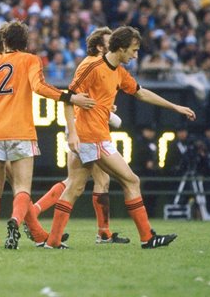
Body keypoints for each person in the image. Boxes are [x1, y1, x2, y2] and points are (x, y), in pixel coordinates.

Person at [46, 26, 196, 249]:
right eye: (133, 50)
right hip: (91, 138)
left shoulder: (118, 71)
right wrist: (73, 134)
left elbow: (141, 92)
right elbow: (68, 98)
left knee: (75, 188)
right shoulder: (91, 65)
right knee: (131, 180)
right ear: (121, 47)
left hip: (94, 136)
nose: (136, 55)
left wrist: (174, 107)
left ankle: (53, 241)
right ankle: (147, 237)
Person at [0, 21, 93, 250]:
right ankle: (15, 221)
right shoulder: (30, 60)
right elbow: (39, 87)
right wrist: (67, 97)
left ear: (4, 41)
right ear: (25, 43)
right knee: (22, 188)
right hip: (21, 132)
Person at [31, 27, 131, 244]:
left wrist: (105, 108)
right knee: (76, 184)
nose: (113, 44)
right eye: (109, 41)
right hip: (82, 128)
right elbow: (72, 97)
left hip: (86, 127)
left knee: (95, 181)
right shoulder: (91, 64)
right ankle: (34, 217)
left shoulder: (108, 68)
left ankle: (101, 232)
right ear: (99, 46)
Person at [132, 124, 160, 217]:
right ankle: (142, 214)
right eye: (149, 131)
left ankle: (151, 214)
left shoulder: (153, 143)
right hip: (142, 172)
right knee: (143, 195)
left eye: (152, 131)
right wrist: (146, 162)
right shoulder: (140, 142)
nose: (151, 133)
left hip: (152, 174)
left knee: (152, 195)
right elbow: (138, 156)